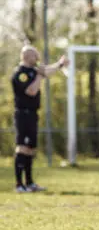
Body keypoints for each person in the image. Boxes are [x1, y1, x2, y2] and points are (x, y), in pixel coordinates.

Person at [12, 45, 68, 193]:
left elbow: (46, 72)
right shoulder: (20, 74)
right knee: (22, 148)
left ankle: (29, 183)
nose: (37, 59)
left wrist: (59, 64)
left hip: (32, 114)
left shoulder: (32, 71)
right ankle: (19, 185)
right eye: (35, 56)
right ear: (27, 56)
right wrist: (39, 76)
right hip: (22, 115)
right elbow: (31, 91)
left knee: (30, 149)